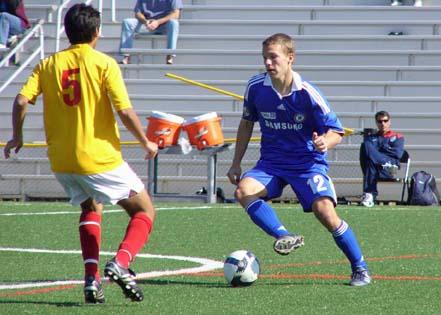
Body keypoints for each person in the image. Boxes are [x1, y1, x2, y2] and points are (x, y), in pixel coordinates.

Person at [3, 4, 158, 304]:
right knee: (144, 211)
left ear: (66, 31)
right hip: (99, 157)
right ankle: (122, 263)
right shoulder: (104, 64)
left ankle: (91, 280)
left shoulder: (48, 64)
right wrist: (145, 142)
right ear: (97, 32)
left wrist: (17, 136)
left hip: (62, 160)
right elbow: (123, 110)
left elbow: (21, 101)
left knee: (90, 208)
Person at [226, 33, 371, 287]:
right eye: (265, 58)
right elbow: (247, 123)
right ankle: (284, 235)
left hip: (307, 164)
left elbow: (337, 131)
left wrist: (325, 141)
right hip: (271, 164)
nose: (268, 63)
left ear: (290, 58)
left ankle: (360, 268)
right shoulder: (256, 87)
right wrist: (236, 162)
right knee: (243, 191)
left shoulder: (308, 94)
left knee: (325, 211)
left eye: (274, 57)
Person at [359, 111, 404, 207]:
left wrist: (378, 150)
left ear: (389, 122)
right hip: (375, 168)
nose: (383, 123)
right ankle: (369, 195)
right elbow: (368, 151)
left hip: (389, 168)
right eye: (380, 121)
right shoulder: (371, 138)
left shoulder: (397, 137)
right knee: (365, 147)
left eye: (385, 121)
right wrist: (386, 149)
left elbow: (397, 154)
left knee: (370, 157)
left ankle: (369, 194)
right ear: (376, 123)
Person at [119, 0, 183, 65]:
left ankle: (170, 55)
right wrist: (146, 22)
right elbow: (137, 13)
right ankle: (126, 56)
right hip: (147, 25)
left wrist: (157, 22)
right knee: (127, 22)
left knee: (174, 23)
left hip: (164, 25)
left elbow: (176, 14)